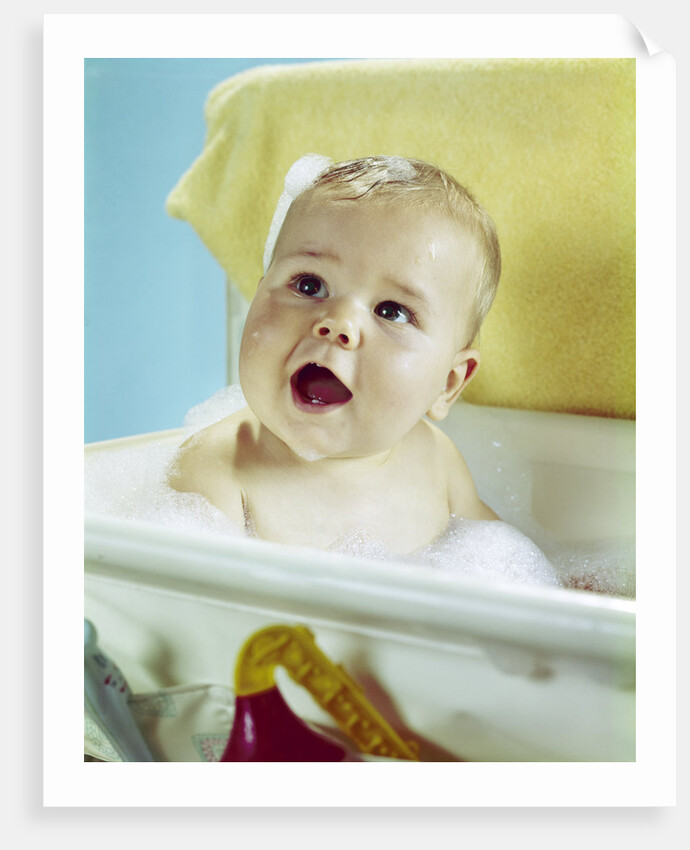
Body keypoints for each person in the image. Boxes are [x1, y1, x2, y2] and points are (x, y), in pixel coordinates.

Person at [169, 155, 502, 555]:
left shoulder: (437, 462)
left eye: (392, 311)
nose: (338, 322)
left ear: (448, 383)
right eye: (309, 285)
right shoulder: (215, 471)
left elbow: (504, 566)